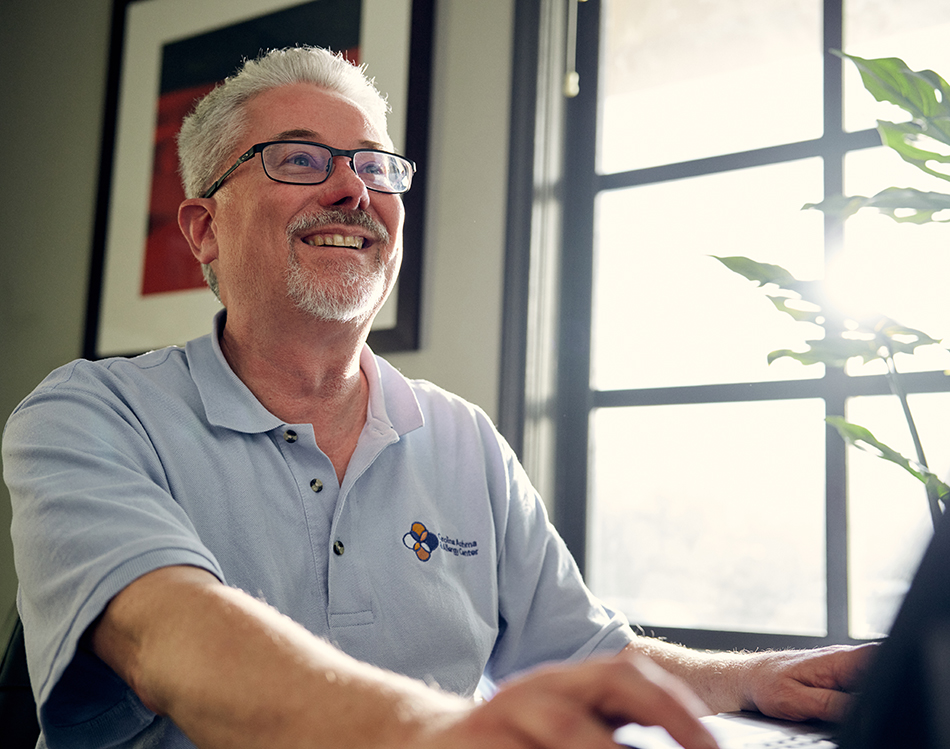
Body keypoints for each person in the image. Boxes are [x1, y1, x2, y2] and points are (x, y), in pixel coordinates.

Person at [3, 46, 872, 749]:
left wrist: (754, 679)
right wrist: (443, 730)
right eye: (302, 159)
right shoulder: (86, 416)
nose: (354, 190)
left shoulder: (465, 440)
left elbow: (590, 652)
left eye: (374, 165)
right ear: (203, 231)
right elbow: (170, 638)